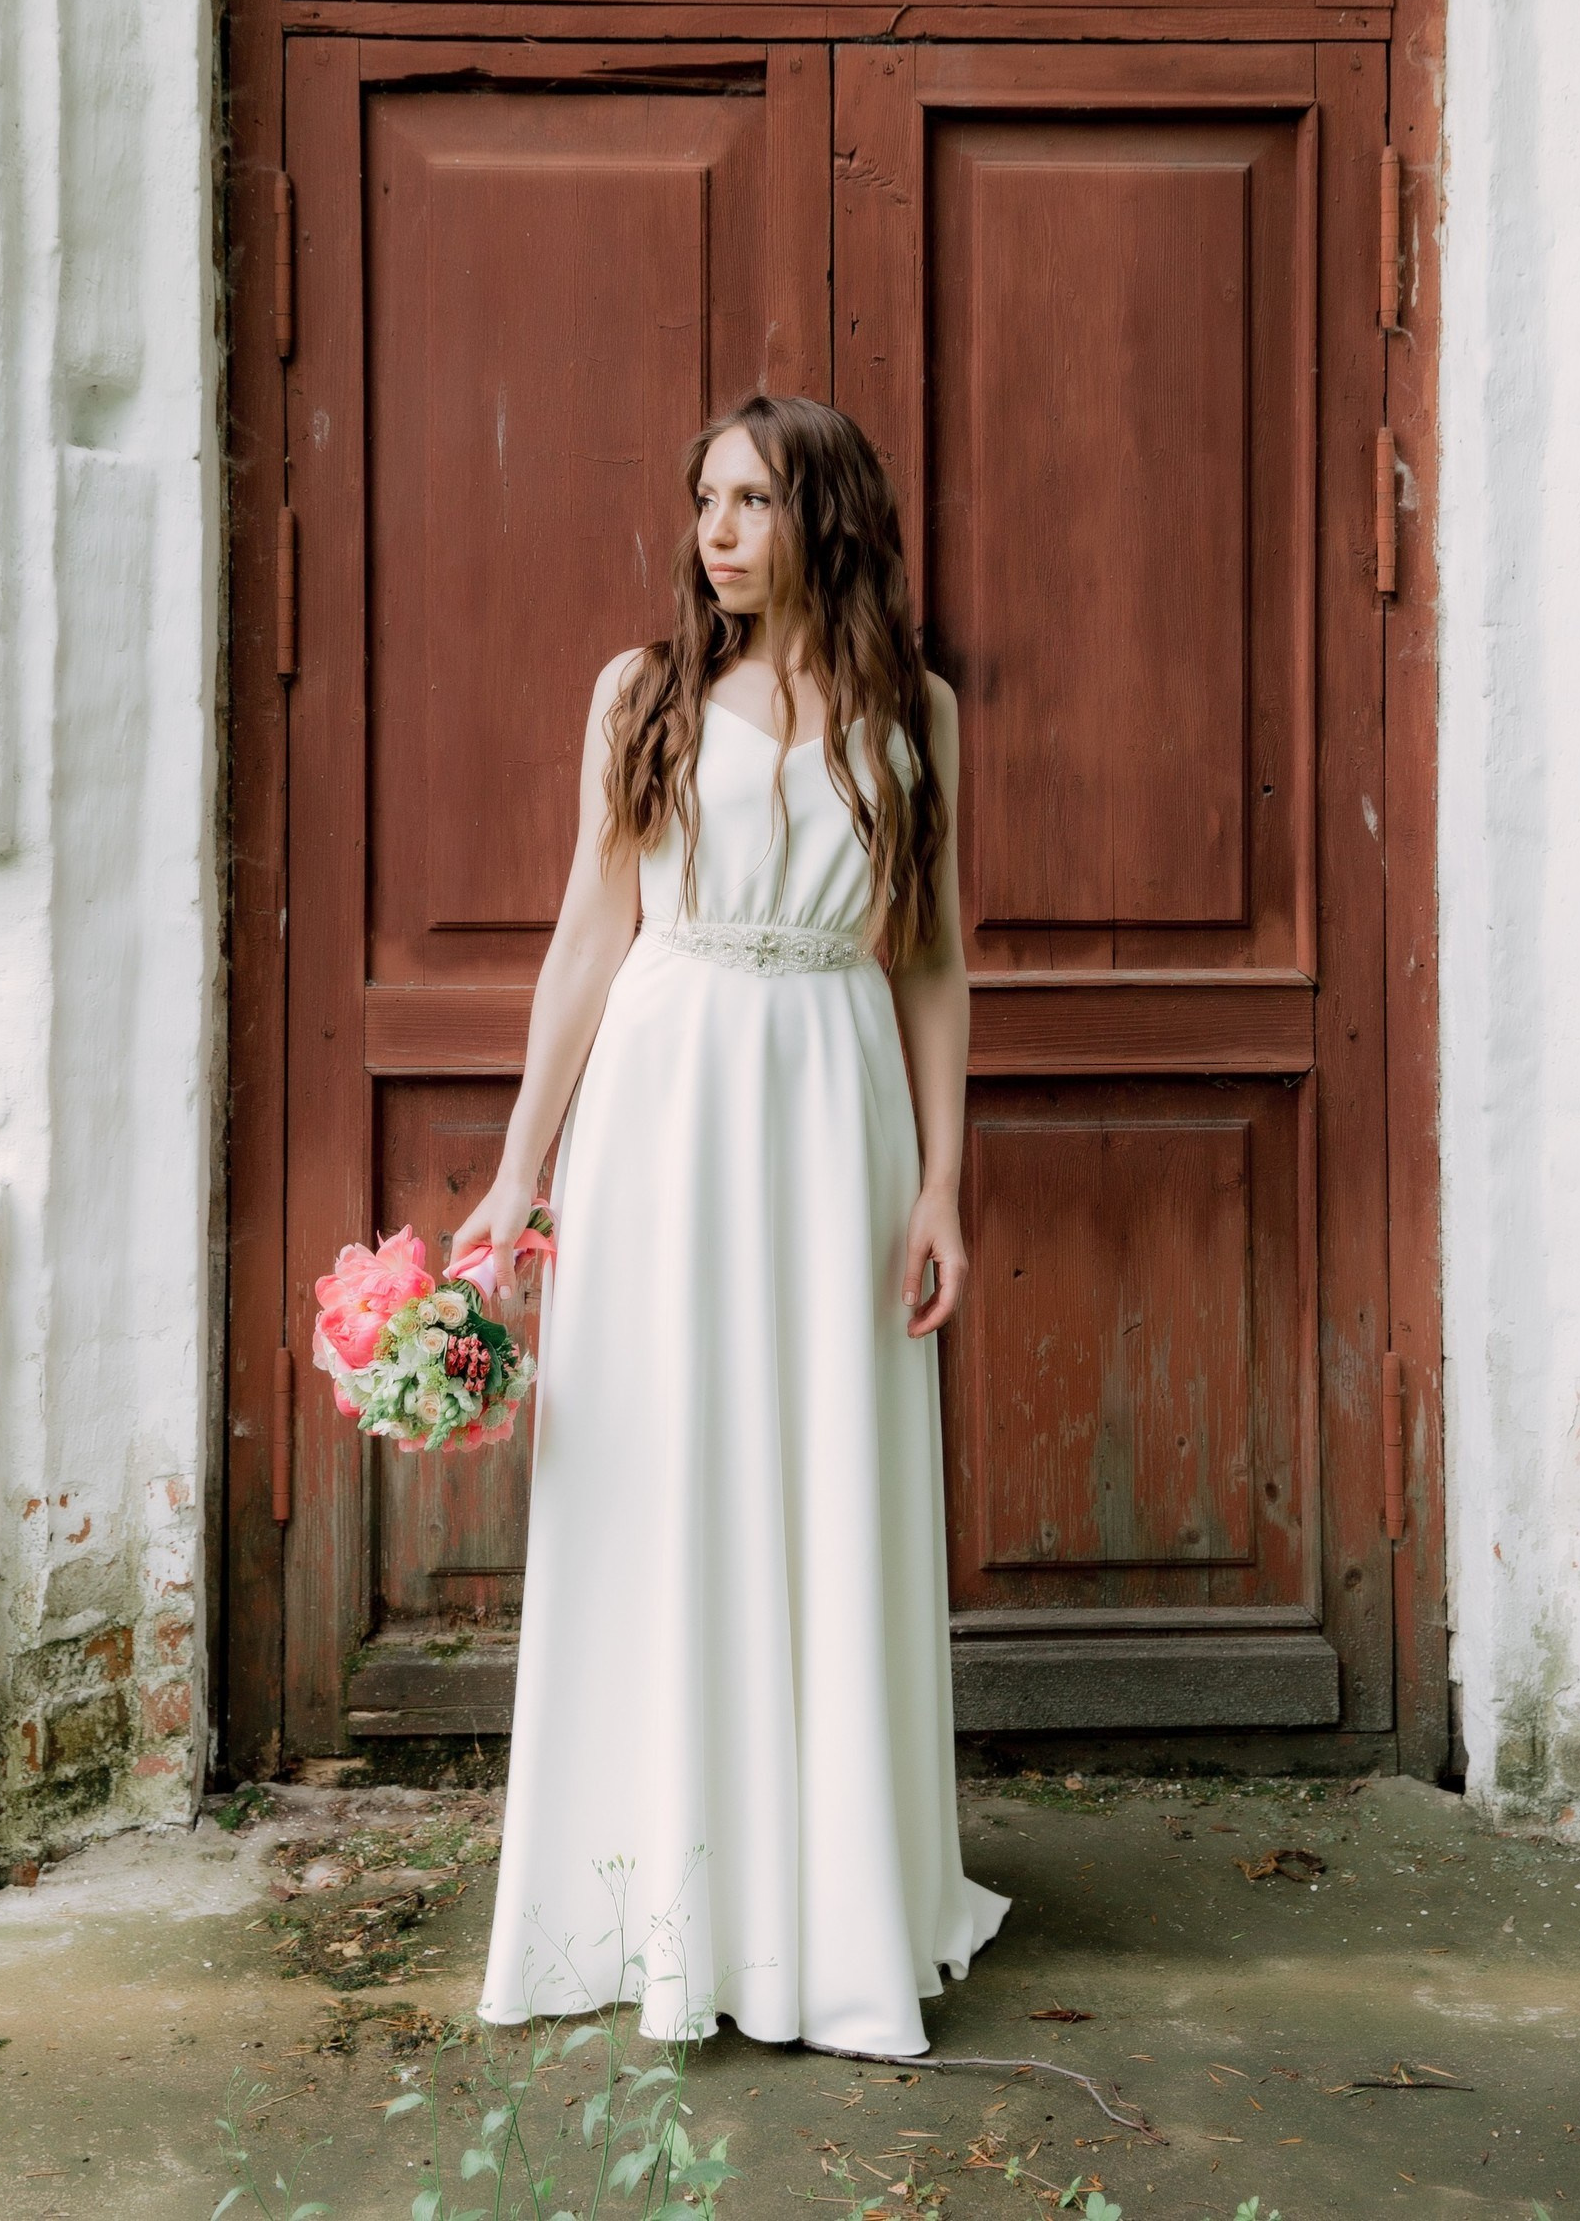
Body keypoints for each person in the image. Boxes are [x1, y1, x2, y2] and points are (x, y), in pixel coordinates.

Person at [452, 392, 1009, 2062]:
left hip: (836, 1110)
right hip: (668, 1106)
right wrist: (513, 1174)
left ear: (823, 515)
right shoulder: (647, 694)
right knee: (672, 1479)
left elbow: (930, 960)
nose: (715, 530)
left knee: (827, 1475)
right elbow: (582, 941)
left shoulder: (919, 708)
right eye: (704, 498)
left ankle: (829, 1900)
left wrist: (939, 1186)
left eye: (752, 499)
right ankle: (660, 1891)